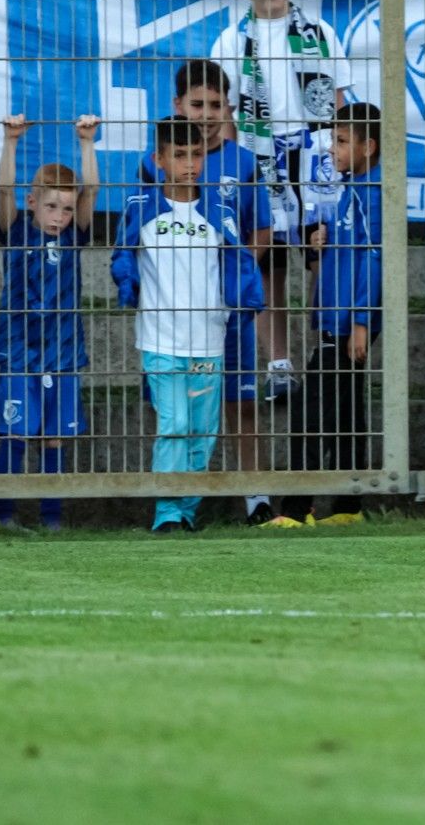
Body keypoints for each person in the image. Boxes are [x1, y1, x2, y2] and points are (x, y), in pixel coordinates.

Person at [208, 0, 354, 408]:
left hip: (313, 155)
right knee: (267, 260)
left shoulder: (320, 33)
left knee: (319, 255)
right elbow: (225, 113)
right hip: (258, 155)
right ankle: (278, 363)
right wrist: (234, 165)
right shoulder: (231, 41)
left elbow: (338, 100)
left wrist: (337, 153)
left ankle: (324, 351)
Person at [111, 116, 264, 534]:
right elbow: (122, 255)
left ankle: (187, 511)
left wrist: (245, 298)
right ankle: (166, 512)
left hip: (209, 340)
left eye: (197, 154)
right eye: (179, 155)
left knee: (202, 430)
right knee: (174, 424)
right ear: (159, 159)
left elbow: (237, 260)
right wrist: (127, 283)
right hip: (160, 340)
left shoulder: (220, 208)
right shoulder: (140, 207)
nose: (190, 164)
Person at [142, 60, 276, 525]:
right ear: (178, 105)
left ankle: (256, 499)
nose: (206, 113)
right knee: (177, 414)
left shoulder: (243, 162)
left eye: (217, 105)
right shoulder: (154, 161)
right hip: (173, 318)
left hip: (228, 313)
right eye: (197, 104)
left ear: (229, 107)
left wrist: (234, 281)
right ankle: (171, 506)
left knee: (239, 402)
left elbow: (261, 228)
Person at [273, 101, 383, 527]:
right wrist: (326, 239)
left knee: (309, 412)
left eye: (340, 141)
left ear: (368, 146)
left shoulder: (372, 192)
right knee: (348, 411)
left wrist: (359, 323)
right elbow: (351, 250)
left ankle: (297, 511)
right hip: (339, 322)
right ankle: (349, 507)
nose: (331, 150)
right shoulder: (355, 189)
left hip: (347, 325)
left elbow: (373, 259)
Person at [0, 113, 100, 531]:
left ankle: (52, 518)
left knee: (55, 437)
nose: (60, 216)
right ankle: (2, 515)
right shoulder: (16, 230)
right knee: (14, 433)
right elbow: (3, 188)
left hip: (63, 350)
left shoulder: (73, 237)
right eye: (52, 206)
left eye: (67, 209)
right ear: (33, 202)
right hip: (18, 349)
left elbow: (91, 190)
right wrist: (11, 141)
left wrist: (87, 143)